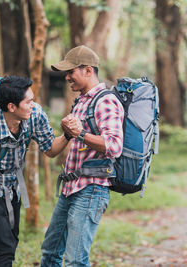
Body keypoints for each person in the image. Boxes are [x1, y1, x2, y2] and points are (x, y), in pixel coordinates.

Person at [0, 76, 69, 267]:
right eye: (28, 101)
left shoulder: (34, 115)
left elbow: (50, 149)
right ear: (11, 107)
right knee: (4, 249)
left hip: (12, 190)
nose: (33, 105)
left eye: (33, 99)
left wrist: (68, 135)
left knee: (8, 243)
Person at [40, 45, 125, 266]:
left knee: (75, 260)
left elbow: (114, 146)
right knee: (50, 253)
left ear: (88, 70)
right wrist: (68, 134)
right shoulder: (81, 101)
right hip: (70, 187)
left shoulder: (106, 100)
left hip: (90, 189)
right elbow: (66, 142)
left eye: (71, 72)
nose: (67, 77)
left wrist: (81, 133)